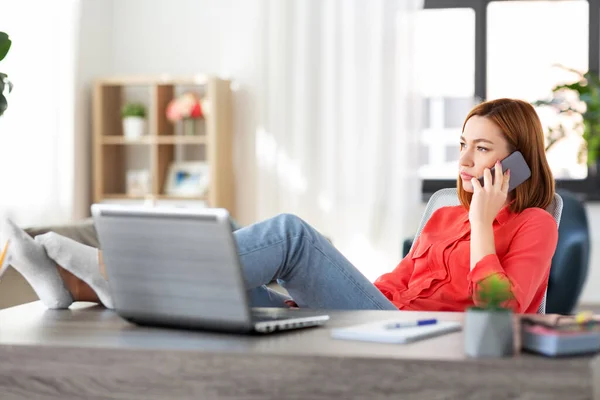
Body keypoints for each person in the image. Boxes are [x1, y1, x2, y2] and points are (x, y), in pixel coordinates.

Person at [0, 98, 558, 314]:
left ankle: (111, 274)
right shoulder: (442, 216)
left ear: (518, 162)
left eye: (482, 148)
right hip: (382, 317)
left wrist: (484, 227)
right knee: (224, 250)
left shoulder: (533, 224)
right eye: (462, 144)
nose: (465, 159)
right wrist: (311, 295)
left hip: (423, 340)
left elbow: (503, 316)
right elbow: (396, 281)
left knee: (291, 234)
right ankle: (67, 286)